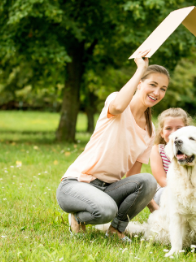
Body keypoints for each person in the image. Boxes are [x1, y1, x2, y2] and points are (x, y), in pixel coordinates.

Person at [56, 49, 168, 242]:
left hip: (108, 189)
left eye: (163, 89)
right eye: (153, 85)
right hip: (76, 184)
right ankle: (77, 216)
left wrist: (157, 211)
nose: (157, 92)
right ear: (139, 83)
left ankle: (116, 230)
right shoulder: (117, 103)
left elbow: (134, 177)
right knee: (106, 210)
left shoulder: (150, 130)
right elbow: (117, 106)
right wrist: (141, 69)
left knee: (148, 180)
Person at [150, 108, 192, 208]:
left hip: (191, 191)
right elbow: (161, 179)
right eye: (168, 128)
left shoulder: (192, 151)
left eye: (179, 128)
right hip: (166, 190)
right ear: (161, 133)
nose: (174, 133)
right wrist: (182, 192)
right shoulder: (157, 150)